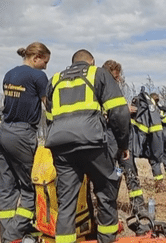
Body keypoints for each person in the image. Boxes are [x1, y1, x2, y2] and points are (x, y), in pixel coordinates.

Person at [45, 50, 130, 243]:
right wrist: (123, 144)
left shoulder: (55, 80)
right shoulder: (98, 73)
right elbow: (119, 112)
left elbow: (49, 118)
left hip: (61, 147)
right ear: (91, 62)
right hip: (92, 143)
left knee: (66, 203)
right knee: (106, 195)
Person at [0, 42, 50, 242]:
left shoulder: (9, 74)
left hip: (3, 132)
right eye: (45, 62)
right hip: (22, 134)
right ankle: (12, 237)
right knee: (31, 189)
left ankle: (7, 235)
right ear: (36, 58)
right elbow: (48, 105)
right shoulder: (38, 76)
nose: (45, 67)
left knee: (6, 189)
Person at [102, 59, 147, 216]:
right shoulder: (98, 92)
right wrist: (121, 109)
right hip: (107, 141)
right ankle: (108, 208)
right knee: (108, 176)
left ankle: (138, 207)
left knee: (130, 172)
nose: (119, 80)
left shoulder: (116, 92)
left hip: (122, 139)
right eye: (116, 77)